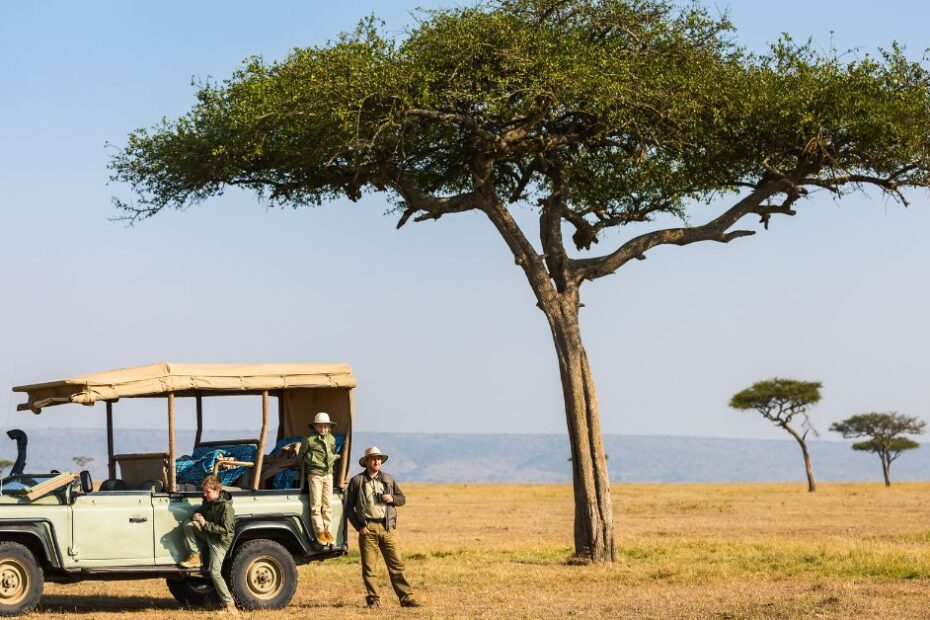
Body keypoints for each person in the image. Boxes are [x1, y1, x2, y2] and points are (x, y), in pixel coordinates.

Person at [345, 445, 421, 609]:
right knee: (369, 567)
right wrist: (359, 527)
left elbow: (402, 499)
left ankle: (406, 598)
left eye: (379, 458)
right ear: (366, 462)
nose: (377, 461)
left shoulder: (388, 479)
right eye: (373, 458)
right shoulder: (357, 481)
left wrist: (391, 498)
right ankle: (374, 599)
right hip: (368, 528)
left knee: (397, 565)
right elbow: (348, 508)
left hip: (388, 528)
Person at [179, 474, 238, 614]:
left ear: (217, 491)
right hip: (209, 533)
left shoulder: (226, 507)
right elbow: (201, 511)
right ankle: (195, 556)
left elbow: (226, 531)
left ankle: (230, 605)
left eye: (208, 492)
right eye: (204, 492)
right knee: (189, 524)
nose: (205, 495)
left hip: (219, 542)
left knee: (214, 572)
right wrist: (196, 515)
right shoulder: (207, 501)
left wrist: (206, 524)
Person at [298, 411, 340, 544]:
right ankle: (319, 531)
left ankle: (328, 530)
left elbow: (332, 451)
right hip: (315, 474)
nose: (323, 429)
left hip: (328, 474)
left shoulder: (332, 439)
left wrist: (332, 459)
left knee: (327, 504)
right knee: (316, 504)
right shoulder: (308, 440)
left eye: (325, 426)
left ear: (329, 427)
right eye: (320, 426)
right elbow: (301, 455)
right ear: (315, 426)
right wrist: (312, 460)